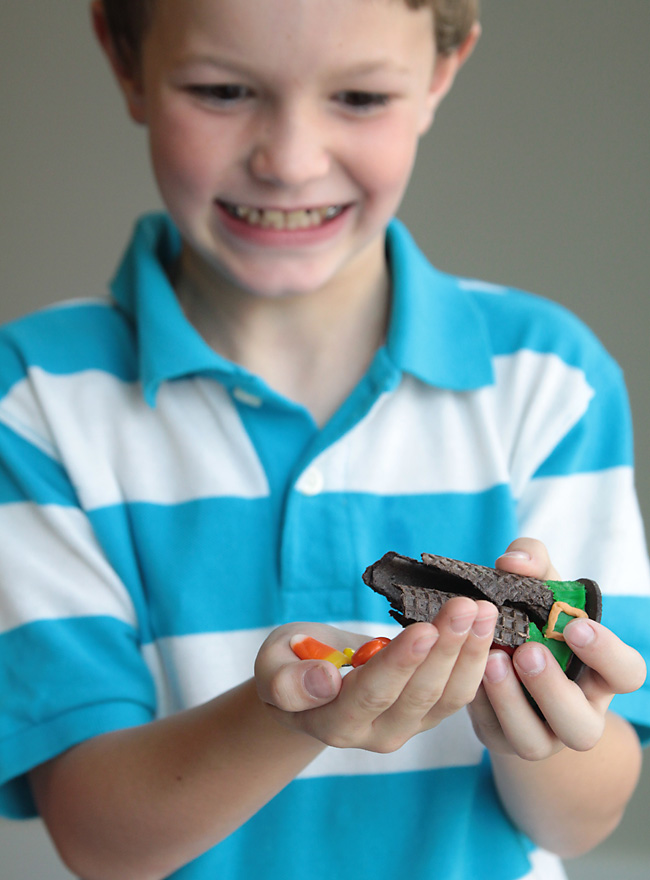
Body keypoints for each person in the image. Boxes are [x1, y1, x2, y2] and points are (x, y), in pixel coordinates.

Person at [0, 1, 648, 878]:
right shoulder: (35, 397)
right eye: (223, 89)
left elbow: (581, 821)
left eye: (360, 96)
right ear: (125, 59)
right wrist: (286, 717)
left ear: (441, 73)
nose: (290, 160)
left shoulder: (549, 380)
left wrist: (541, 724)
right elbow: (101, 840)